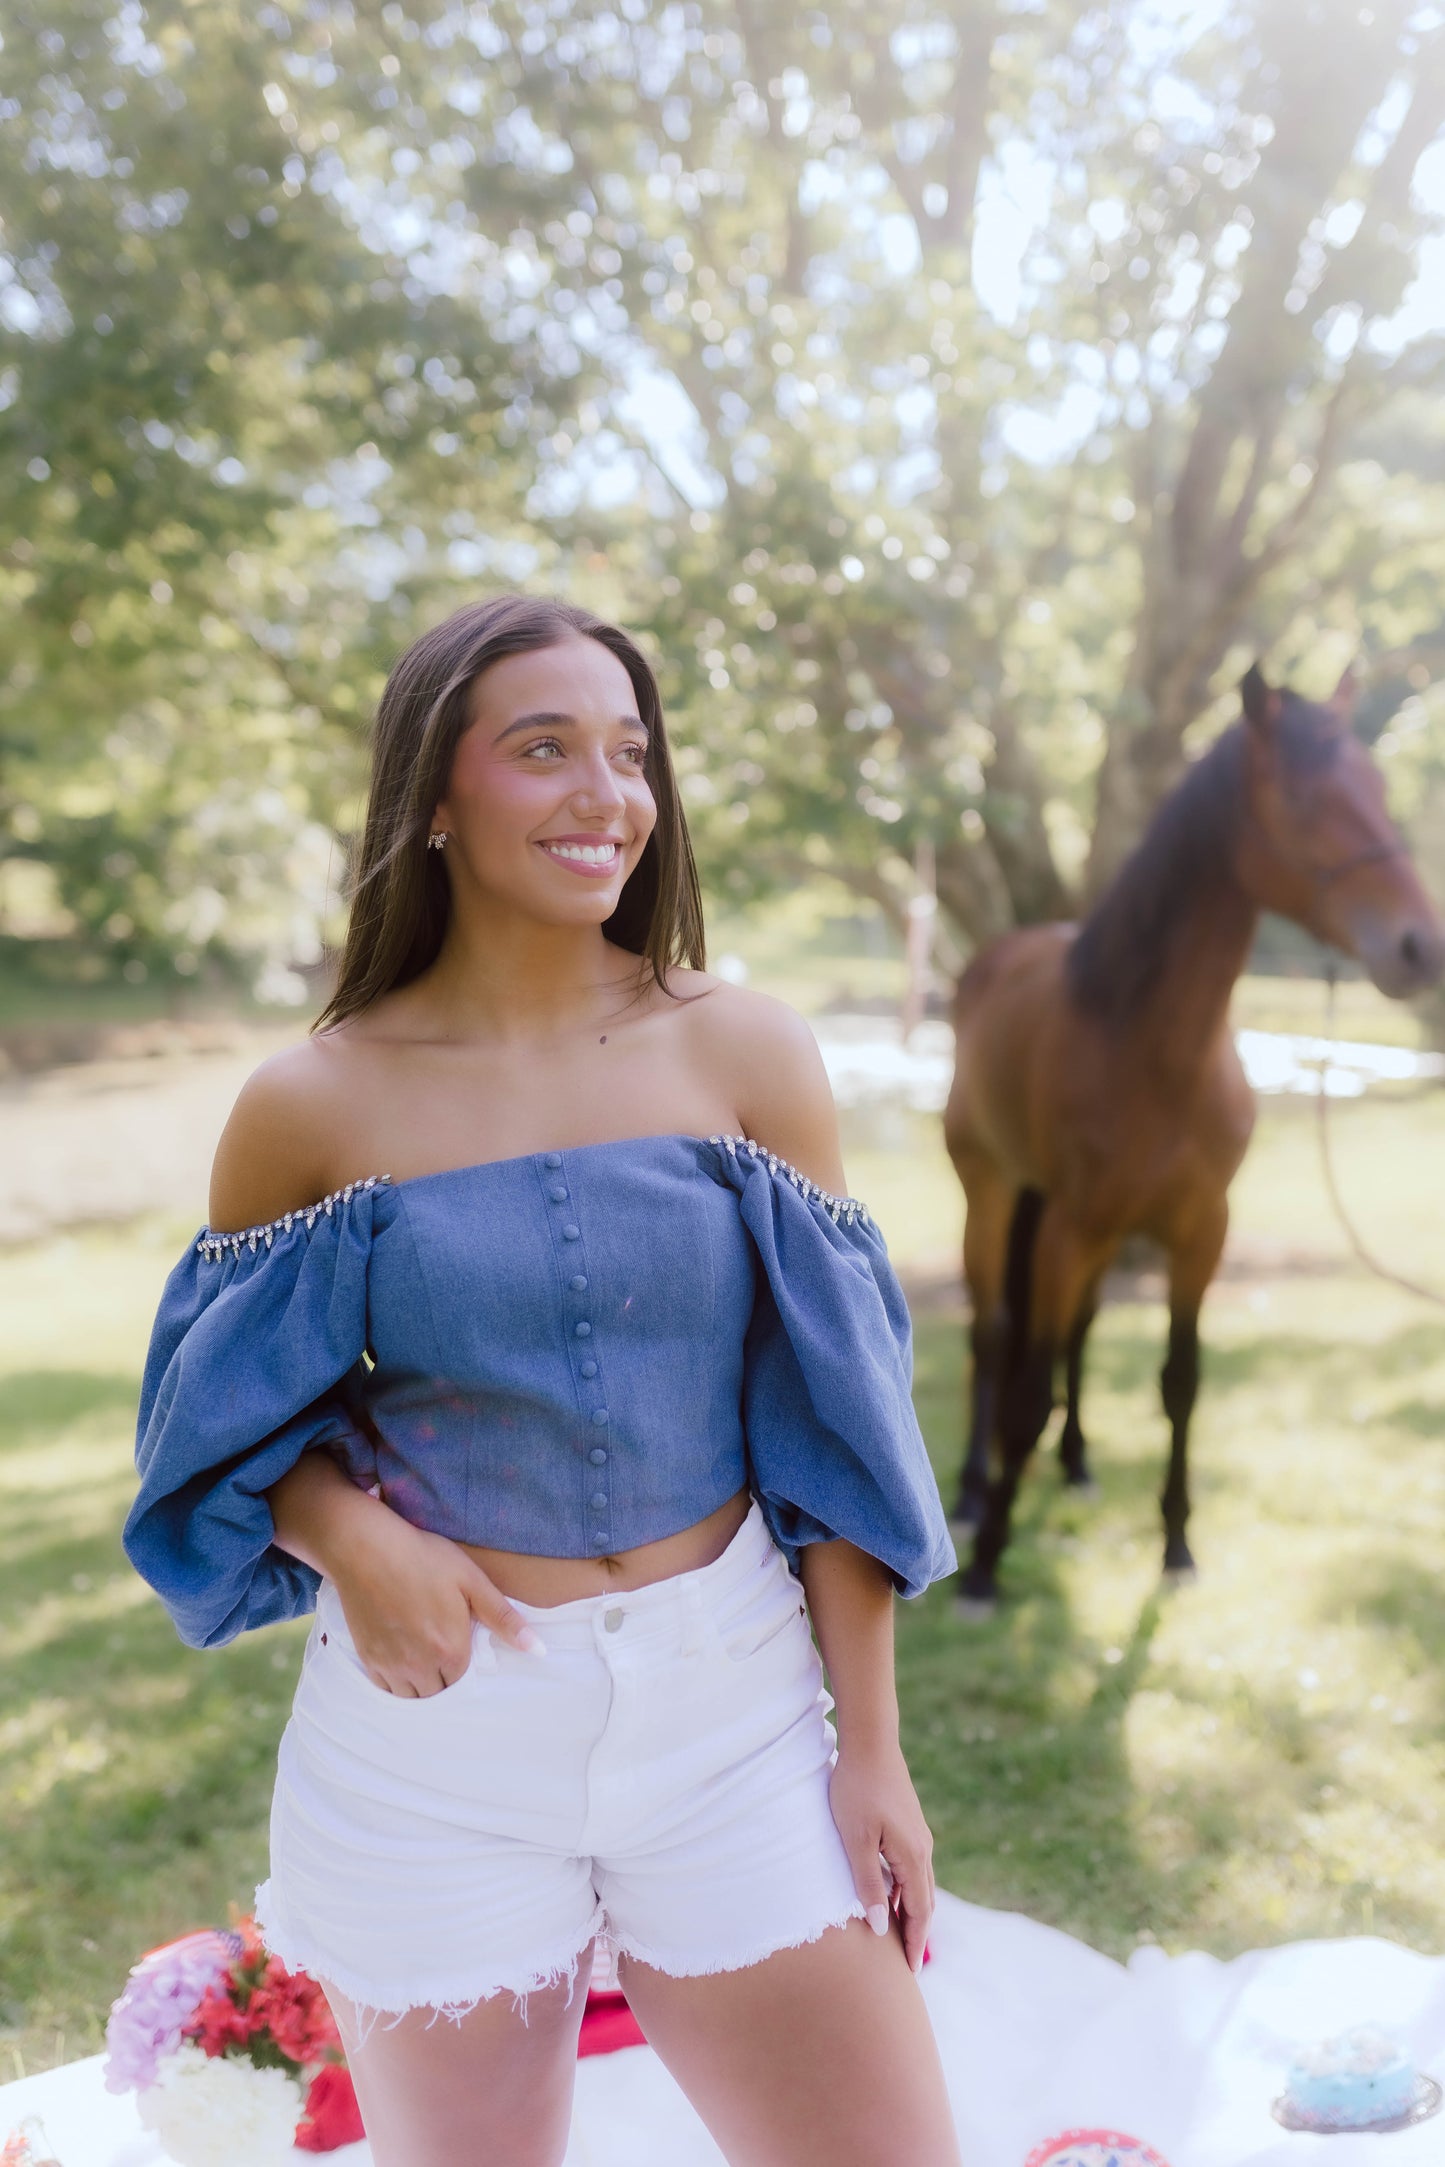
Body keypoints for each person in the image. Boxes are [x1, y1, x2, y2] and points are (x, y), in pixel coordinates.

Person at [126, 595, 961, 2167]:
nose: (607, 795)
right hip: (435, 1744)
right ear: (434, 799)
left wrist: (871, 1749)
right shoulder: (312, 1103)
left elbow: (841, 1434)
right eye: (544, 749)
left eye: (631, 753)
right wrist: (350, 1539)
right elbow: (211, 1426)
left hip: (735, 1712)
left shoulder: (746, 1055)